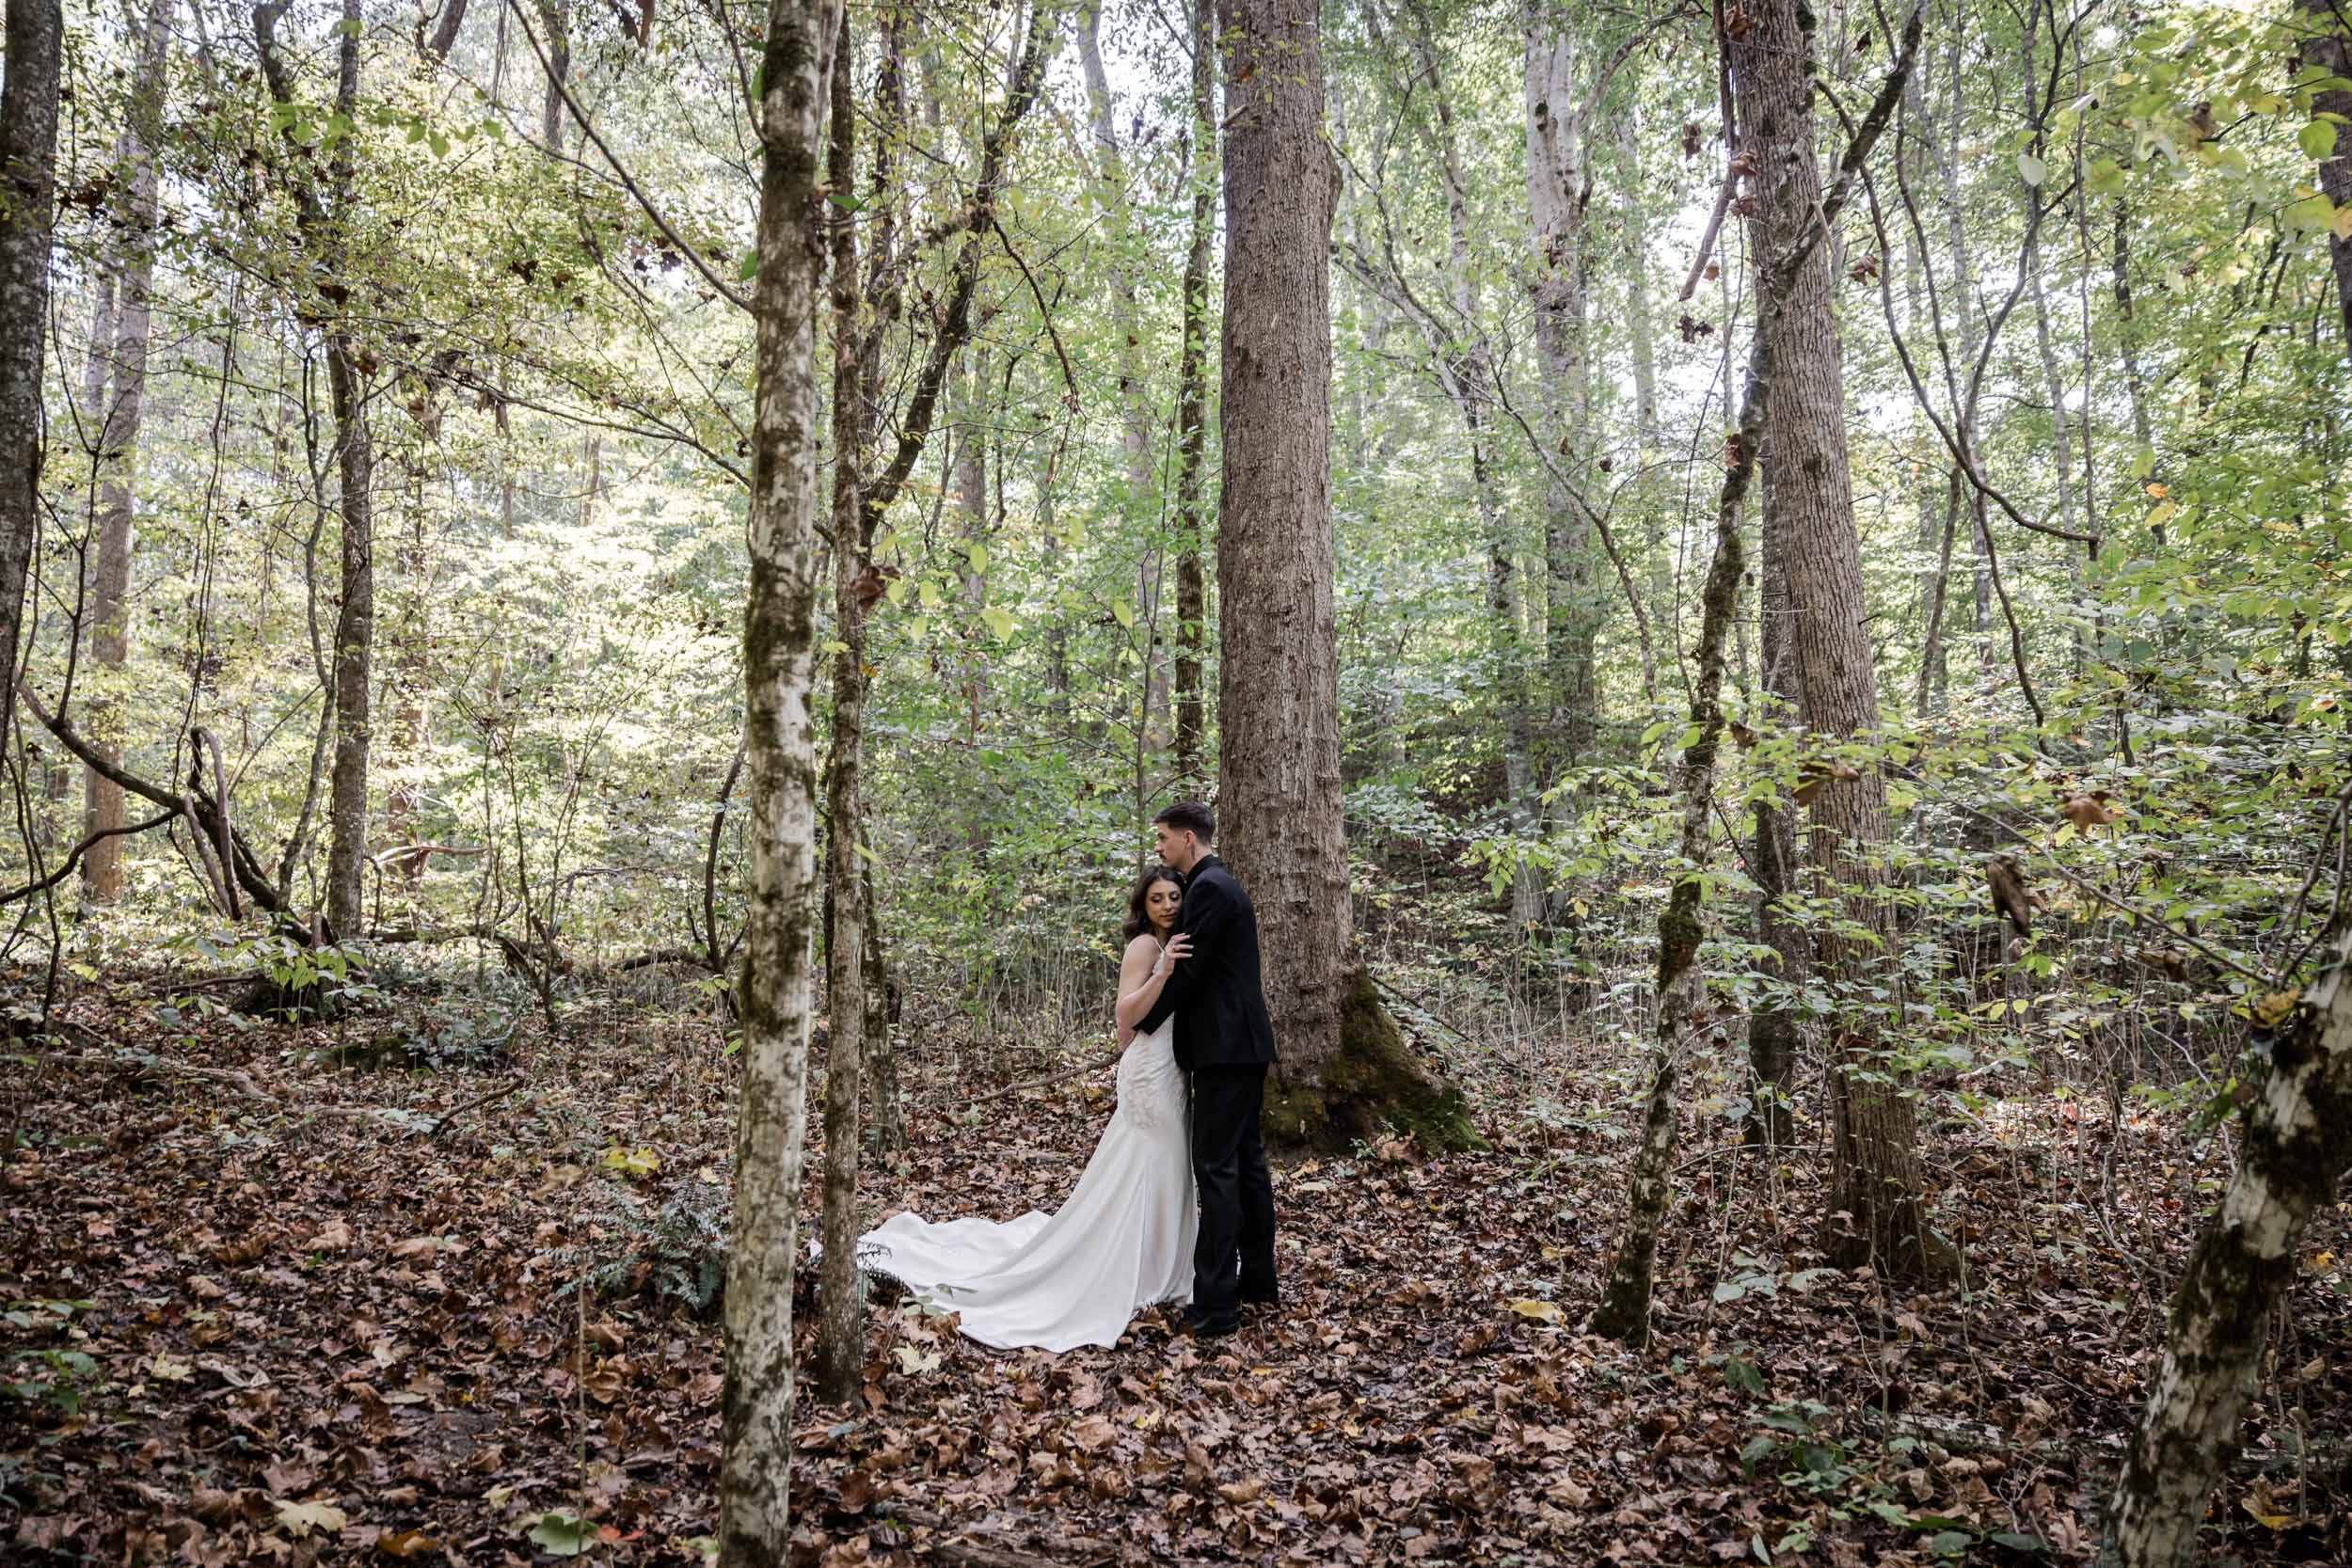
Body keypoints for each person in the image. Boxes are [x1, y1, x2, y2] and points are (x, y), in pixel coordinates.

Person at [840, 864, 1198, 1352]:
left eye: (1174, 895)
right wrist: (1163, 972)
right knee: (1151, 1164)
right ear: (1144, 905)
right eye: (1157, 898)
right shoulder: (1146, 947)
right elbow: (1125, 1014)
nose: (1168, 905)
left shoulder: (1180, 939)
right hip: (1150, 1075)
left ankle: (1165, 1262)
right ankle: (1140, 1268)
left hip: (1170, 1071)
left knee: (1167, 1167)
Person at [1135, 800, 1279, 1338]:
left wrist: (1144, 1029)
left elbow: (1188, 974)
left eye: (1165, 839)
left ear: (1189, 839)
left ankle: (1218, 1304)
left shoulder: (1209, 889)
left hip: (1224, 1049)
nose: (1160, 848)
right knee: (1245, 1163)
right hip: (1240, 1046)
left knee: (1217, 1169)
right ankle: (1259, 1282)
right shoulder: (1222, 885)